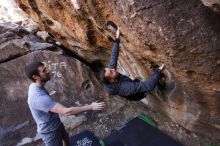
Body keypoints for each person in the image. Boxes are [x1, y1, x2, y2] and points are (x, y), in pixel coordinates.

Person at [25, 62, 106, 146]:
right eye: (44, 70)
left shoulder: (34, 86)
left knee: (65, 138)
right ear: (35, 77)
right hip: (50, 132)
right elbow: (66, 112)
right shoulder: (38, 97)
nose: (48, 71)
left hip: (55, 123)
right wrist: (91, 106)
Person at [100, 28, 165, 101]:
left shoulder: (110, 74)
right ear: (111, 81)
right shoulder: (126, 87)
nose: (112, 69)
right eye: (111, 72)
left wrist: (117, 38)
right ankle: (159, 84)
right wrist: (159, 71)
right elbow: (148, 86)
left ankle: (151, 79)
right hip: (138, 95)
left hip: (126, 84)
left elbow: (114, 56)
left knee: (136, 82)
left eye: (110, 69)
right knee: (145, 86)